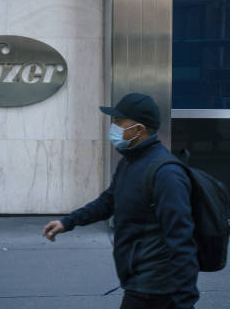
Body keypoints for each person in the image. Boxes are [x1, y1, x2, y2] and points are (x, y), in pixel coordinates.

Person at [42, 93, 199, 309]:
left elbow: (181, 239)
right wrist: (68, 222)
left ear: (139, 129)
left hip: (157, 288)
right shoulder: (130, 162)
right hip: (137, 279)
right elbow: (108, 201)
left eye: (118, 121)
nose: (113, 126)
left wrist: (184, 301)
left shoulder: (166, 174)